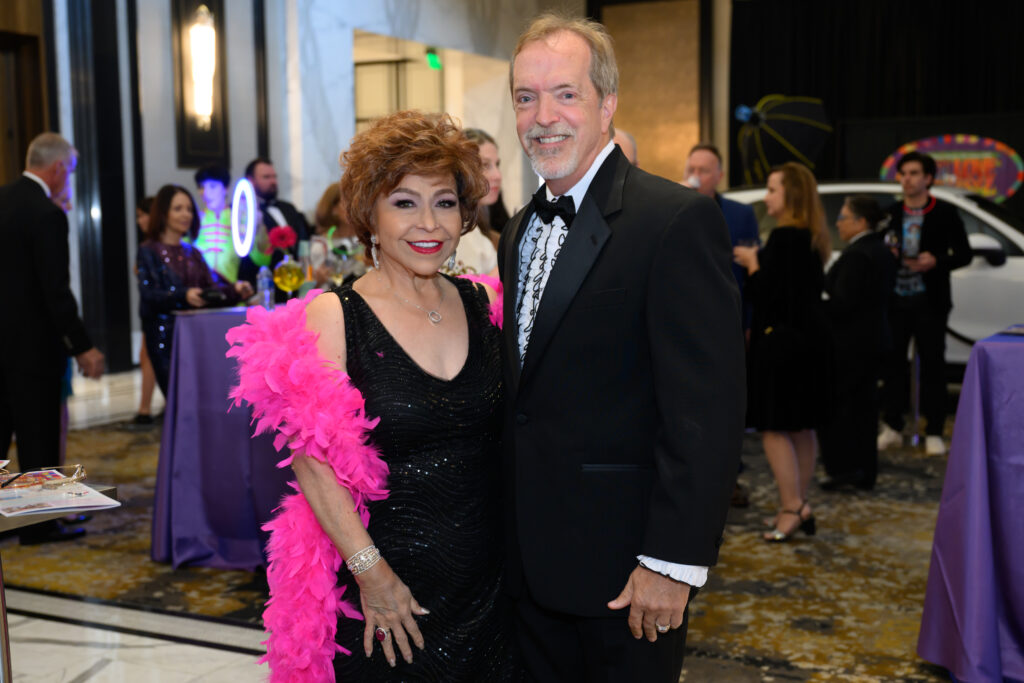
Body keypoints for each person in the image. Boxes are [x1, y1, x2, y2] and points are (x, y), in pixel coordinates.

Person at [227, 111, 515, 681]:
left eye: (445, 202)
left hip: (492, 588)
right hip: (387, 595)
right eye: (405, 203)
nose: (428, 222)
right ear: (369, 217)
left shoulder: (486, 305)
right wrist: (371, 573)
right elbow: (313, 461)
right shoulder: (334, 317)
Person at [500, 14, 744, 682]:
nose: (543, 116)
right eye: (526, 97)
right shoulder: (519, 228)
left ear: (607, 104)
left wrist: (671, 562)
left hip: (627, 574)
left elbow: (707, 410)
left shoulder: (674, 220)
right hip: (530, 569)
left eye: (565, 94)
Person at [0, 132, 104, 544]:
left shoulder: (2, 199)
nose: (68, 181)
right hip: (33, 349)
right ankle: (37, 524)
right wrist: (82, 345)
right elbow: (54, 290)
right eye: (71, 172)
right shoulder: (45, 213)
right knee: (37, 435)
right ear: (58, 167)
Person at [733, 162, 830, 542]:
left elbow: (770, 299)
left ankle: (791, 507)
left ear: (791, 195)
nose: (767, 197)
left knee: (774, 428)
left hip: (783, 344)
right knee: (801, 426)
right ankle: (798, 504)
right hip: (807, 341)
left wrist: (753, 264)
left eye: (773, 189)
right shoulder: (810, 236)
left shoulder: (785, 237)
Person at [877, 151, 971, 456]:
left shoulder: (943, 212)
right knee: (893, 364)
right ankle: (892, 425)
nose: (907, 179)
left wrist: (937, 260)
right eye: (903, 173)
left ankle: (933, 430)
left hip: (930, 299)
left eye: (914, 173)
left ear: (928, 179)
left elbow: (964, 253)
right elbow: (878, 249)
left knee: (933, 364)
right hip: (896, 298)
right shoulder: (891, 213)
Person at [137, 185, 251, 395]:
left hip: (196, 336)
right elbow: (149, 296)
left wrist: (236, 291)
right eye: (178, 208)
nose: (186, 214)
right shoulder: (148, 251)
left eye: (189, 209)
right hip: (165, 337)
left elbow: (211, 291)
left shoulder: (193, 253)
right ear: (163, 213)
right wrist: (183, 295)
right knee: (177, 397)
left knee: (197, 397)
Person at [819, 197, 897, 491]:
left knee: (846, 410)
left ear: (861, 222)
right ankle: (864, 470)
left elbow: (843, 303)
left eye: (843, 216)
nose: (838, 222)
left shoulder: (857, 255)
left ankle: (845, 469)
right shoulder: (880, 251)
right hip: (873, 340)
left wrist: (818, 306)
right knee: (865, 410)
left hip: (851, 345)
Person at [237, 157, 312, 293]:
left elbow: (304, 240)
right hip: (261, 285)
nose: (273, 181)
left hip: (295, 283)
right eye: (266, 177)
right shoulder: (242, 212)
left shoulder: (288, 208)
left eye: (274, 177)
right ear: (250, 180)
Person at [453, 128, 502, 275]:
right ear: (462, 170)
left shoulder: (484, 231)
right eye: (485, 165)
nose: (497, 175)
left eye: (497, 165)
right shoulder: (458, 231)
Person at [132, 196, 160, 427]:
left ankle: (145, 408)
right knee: (146, 356)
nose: (140, 221)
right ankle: (145, 407)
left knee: (148, 355)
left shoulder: (152, 248)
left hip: (157, 310)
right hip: (149, 309)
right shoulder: (148, 246)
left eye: (143, 215)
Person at [308, 181, 362, 288]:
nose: (353, 208)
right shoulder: (321, 245)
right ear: (334, 209)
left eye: (357, 202)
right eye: (347, 203)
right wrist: (318, 282)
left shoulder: (369, 240)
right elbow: (309, 291)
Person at [193, 164, 239, 283]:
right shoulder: (194, 219)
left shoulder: (238, 218)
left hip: (233, 289)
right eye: (201, 187)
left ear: (226, 188)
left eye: (212, 187)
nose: (205, 193)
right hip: (200, 290)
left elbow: (261, 259)